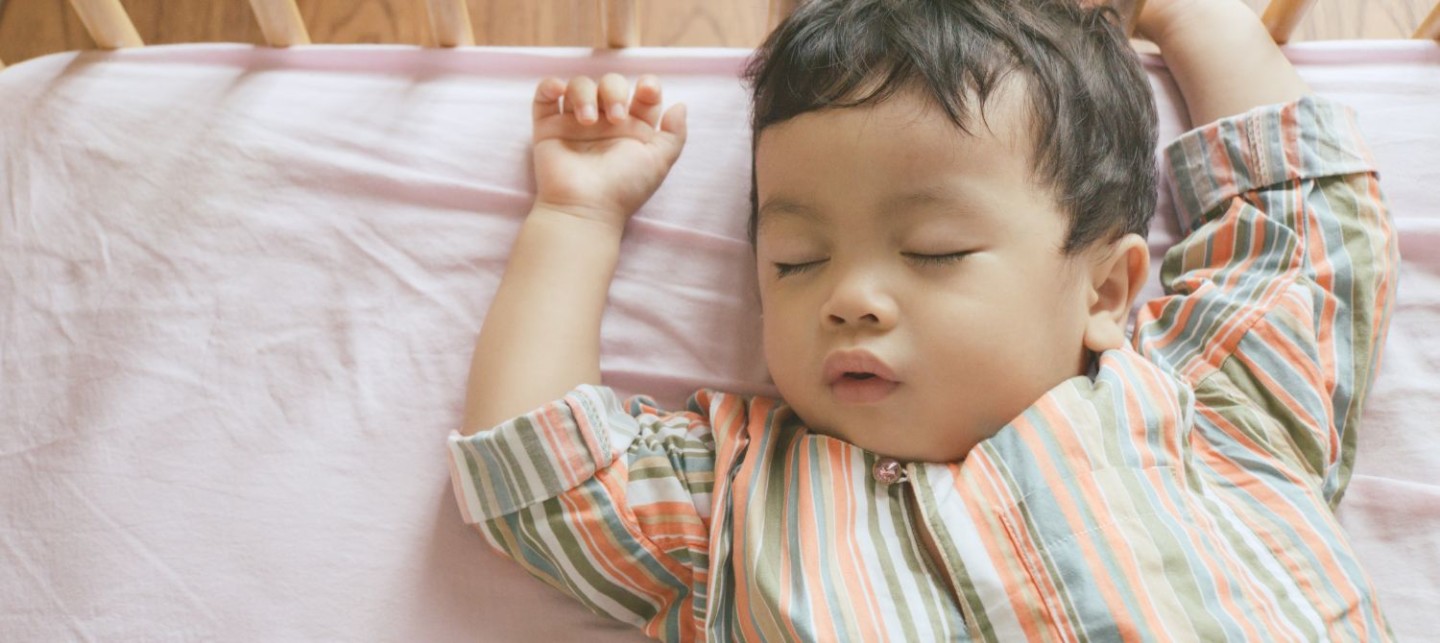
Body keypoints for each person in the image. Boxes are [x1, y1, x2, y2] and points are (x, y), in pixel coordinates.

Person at [448, 0, 1398, 638]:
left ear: (1106, 292)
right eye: (796, 261)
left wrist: (1195, 19)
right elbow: (542, 472)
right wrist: (576, 215)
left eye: (936, 249)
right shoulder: (737, 501)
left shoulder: (1206, 401)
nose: (849, 296)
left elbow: (1304, 225)